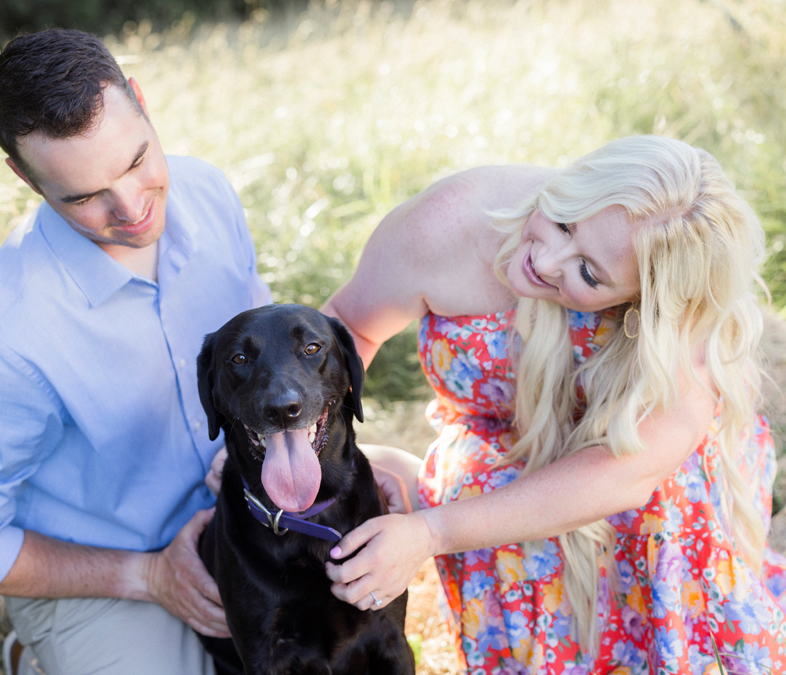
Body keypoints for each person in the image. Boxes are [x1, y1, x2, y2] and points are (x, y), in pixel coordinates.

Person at [322, 136, 786, 673]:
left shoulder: (682, 317)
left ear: (644, 300)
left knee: (663, 499)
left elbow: (626, 471)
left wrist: (432, 531)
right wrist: (302, 450)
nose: (545, 260)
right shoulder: (448, 222)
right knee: (477, 488)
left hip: (625, 471)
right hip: (496, 447)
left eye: (590, 273)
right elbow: (350, 327)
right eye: (564, 220)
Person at [0, 29, 271, 675]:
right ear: (24, 176)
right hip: (99, 570)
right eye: (82, 196)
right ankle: (35, 651)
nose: (132, 209)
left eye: (136, 162)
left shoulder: (207, 191)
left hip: (238, 510)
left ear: (141, 100)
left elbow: (259, 343)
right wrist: (150, 576)